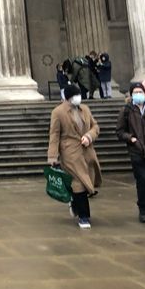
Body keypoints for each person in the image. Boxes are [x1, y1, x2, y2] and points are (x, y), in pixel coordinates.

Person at [47, 83, 101, 229]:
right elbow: (54, 134)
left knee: (86, 180)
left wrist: (89, 136)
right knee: (79, 182)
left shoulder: (85, 109)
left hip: (86, 150)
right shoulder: (58, 112)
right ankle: (84, 216)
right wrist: (52, 157)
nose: (79, 97)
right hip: (70, 152)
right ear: (69, 97)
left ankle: (75, 203)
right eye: (75, 95)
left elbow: (95, 126)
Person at [116, 82, 145, 223]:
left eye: (140, 91)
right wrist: (131, 139)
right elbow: (120, 131)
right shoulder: (127, 110)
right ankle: (143, 209)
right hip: (137, 151)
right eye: (135, 92)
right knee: (143, 180)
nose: (138, 94)